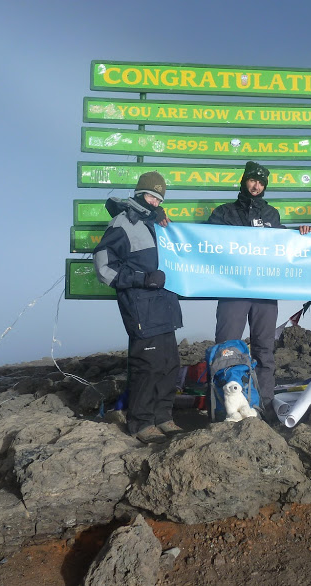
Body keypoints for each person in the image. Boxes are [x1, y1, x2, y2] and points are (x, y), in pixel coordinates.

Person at [206, 161, 311, 416]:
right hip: (233, 290)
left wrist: (299, 234)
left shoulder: (271, 214)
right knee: (227, 347)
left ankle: (262, 405)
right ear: (244, 181)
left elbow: (281, 244)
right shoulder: (224, 212)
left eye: (261, 182)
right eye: (253, 180)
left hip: (264, 292)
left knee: (265, 349)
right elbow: (205, 242)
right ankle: (224, 407)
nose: (256, 186)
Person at [93, 171, 184, 443]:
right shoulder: (122, 223)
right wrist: (141, 280)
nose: (155, 202)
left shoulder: (156, 223)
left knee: (169, 364)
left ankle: (163, 417)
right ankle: (141, 423)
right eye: (150, 196)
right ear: (138, 193)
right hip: (141, 308)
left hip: (165, 307)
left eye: (159, 199)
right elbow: (103, 267)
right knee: (147, 366)